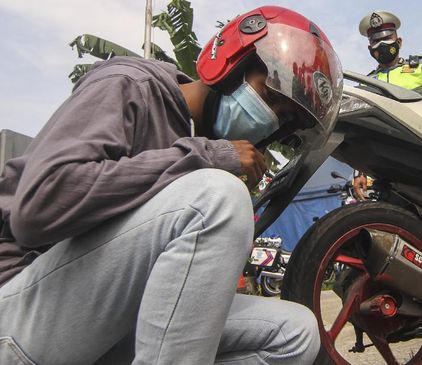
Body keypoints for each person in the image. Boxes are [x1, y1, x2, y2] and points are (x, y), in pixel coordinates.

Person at [0, 5, 343, 365]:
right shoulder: (129, 85)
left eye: (284, 119)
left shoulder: (196, 147)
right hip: (18, 309)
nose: (270, 119)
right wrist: (205, 157)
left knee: (295, 333)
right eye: (270, 97)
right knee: (217, 199)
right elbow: (38, 206)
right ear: (231, 66)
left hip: (99, 323)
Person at [353, 10, 422, 199]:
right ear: (370, 49)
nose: (382, 44)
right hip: (387, 163)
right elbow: (360, 131)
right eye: (375, 40)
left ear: (399, 42)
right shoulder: (367, 83)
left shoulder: (421, 67)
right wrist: (359, 173)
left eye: (387, 38)